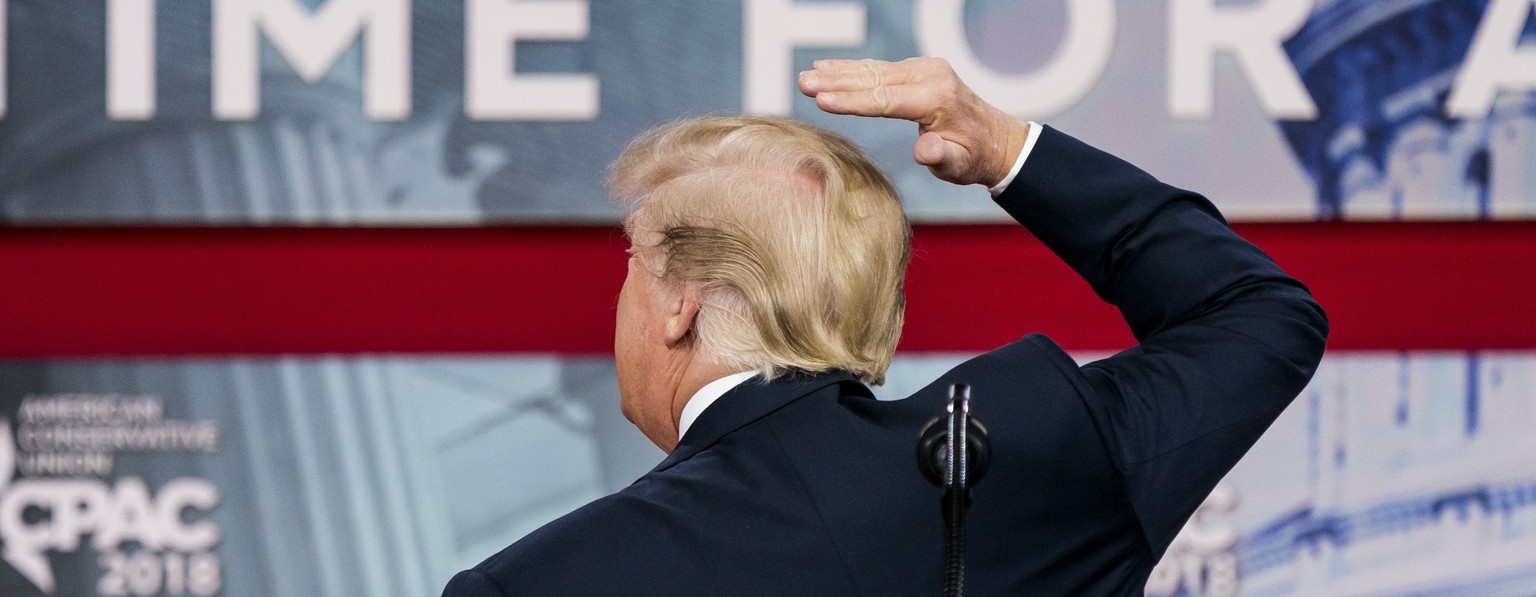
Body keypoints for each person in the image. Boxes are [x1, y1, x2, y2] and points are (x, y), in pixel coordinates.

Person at [443, 57, 1328, 596]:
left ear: (681, 301)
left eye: (630, 261)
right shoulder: (1039, 453)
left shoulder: (541, 583)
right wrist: (1006, 147)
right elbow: (1258, 314)